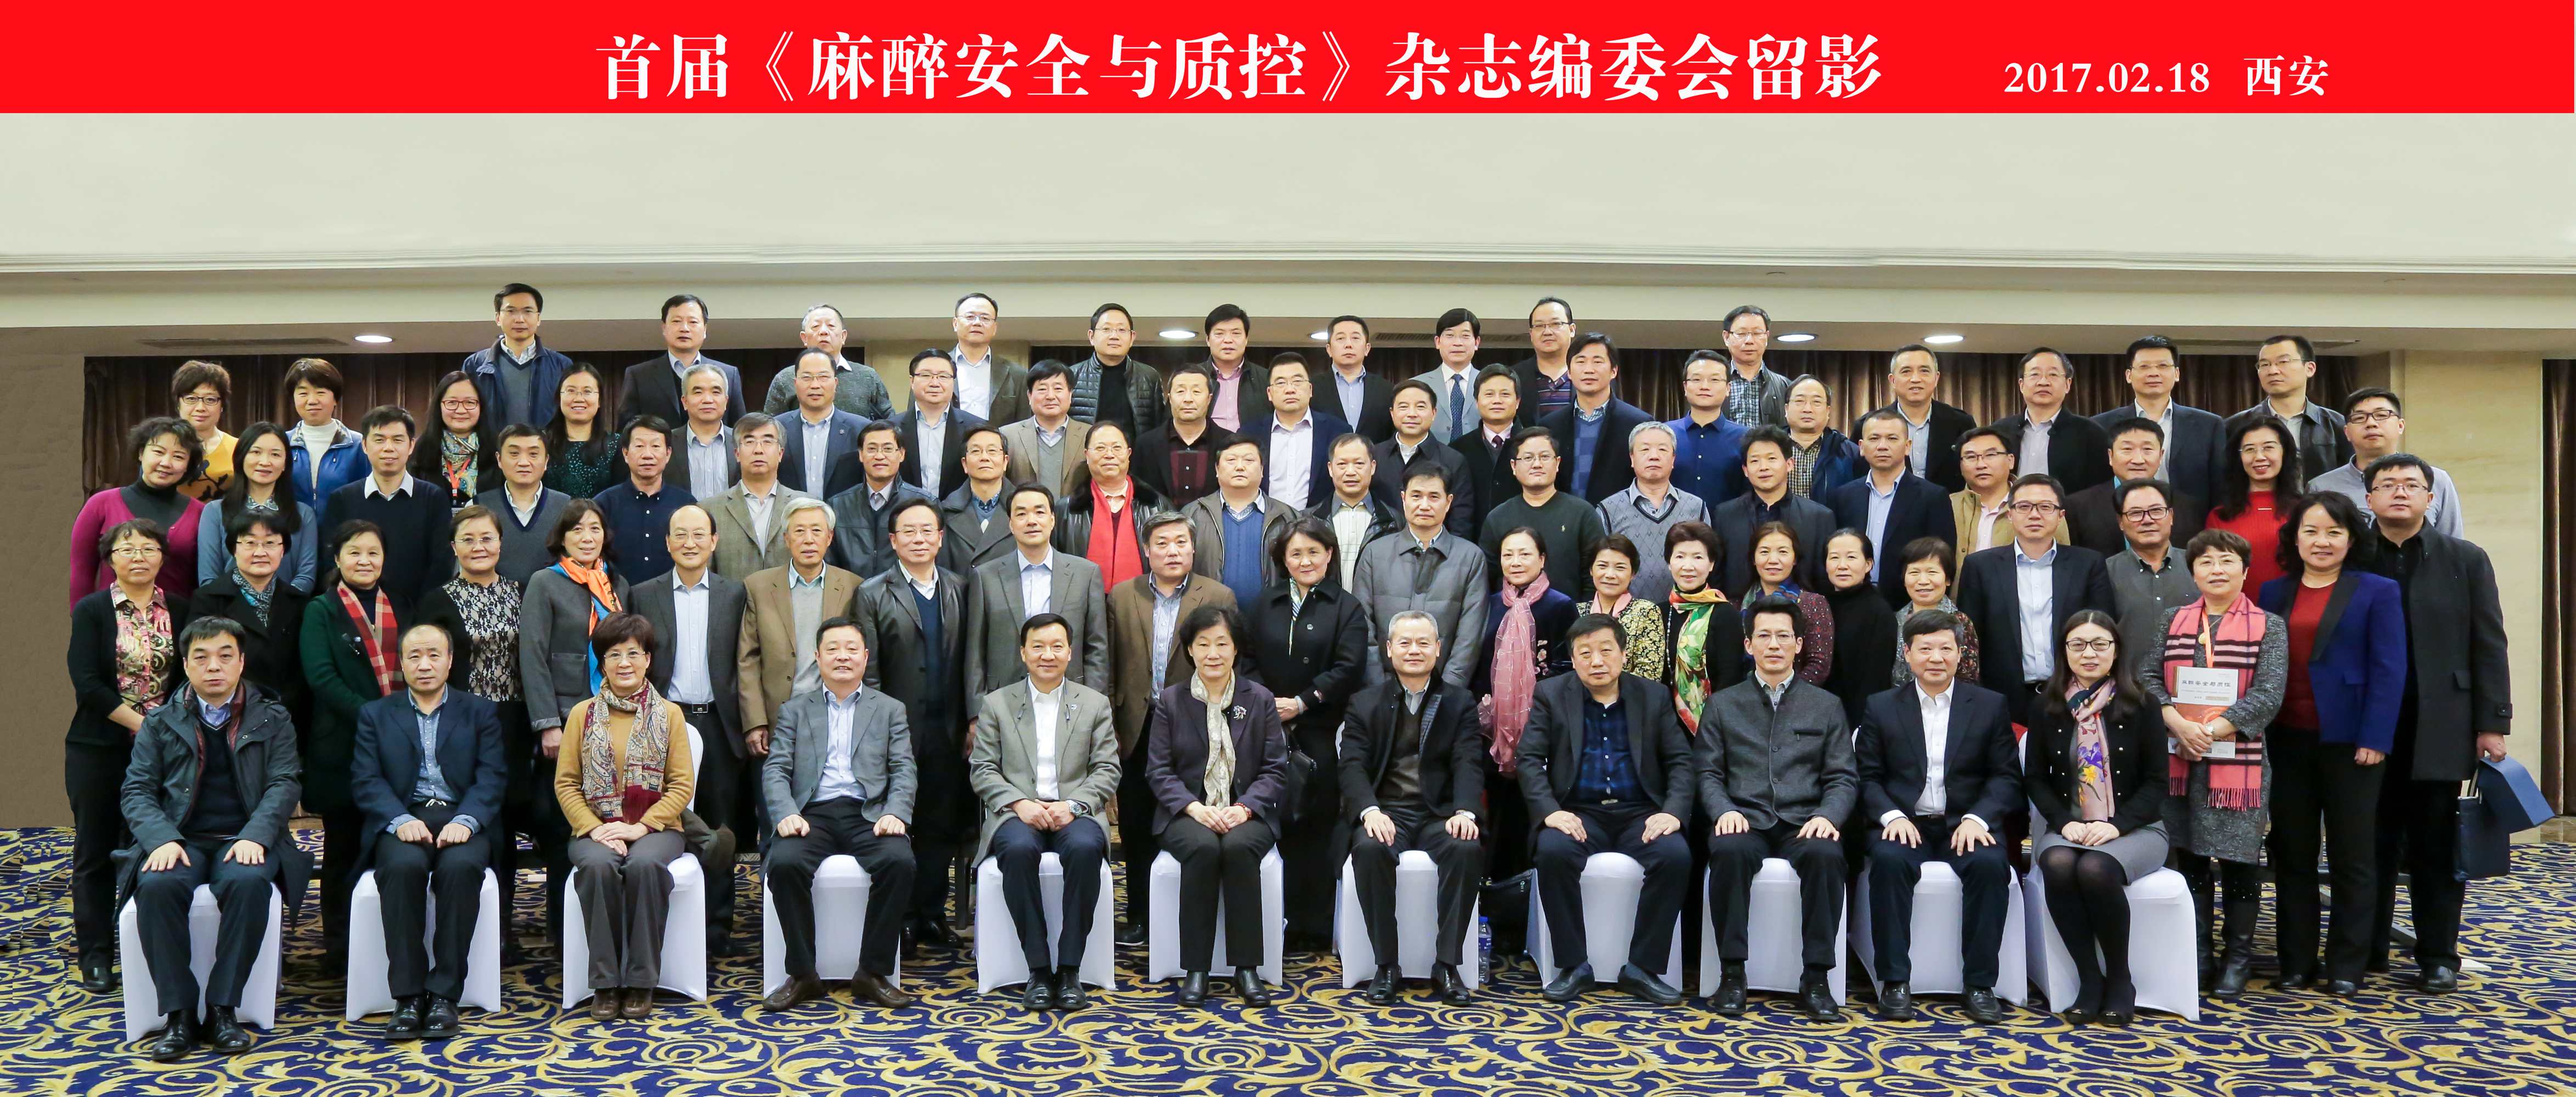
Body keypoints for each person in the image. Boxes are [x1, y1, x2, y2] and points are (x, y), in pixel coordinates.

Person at [121, 617, 303, 1061]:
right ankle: (180, 1014)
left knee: (248, 882)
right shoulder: (160, 722)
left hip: (244, 837)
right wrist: (161, 839)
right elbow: (137, 790)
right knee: (157, 886)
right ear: (185, 665)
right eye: (201, 658)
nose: (214, 667)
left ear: (242, 662)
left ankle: (223, 1009)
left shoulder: (273, 717)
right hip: (180, 839)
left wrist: (257, 834)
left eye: (225, 656)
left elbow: (285, 783)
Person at [2362, 454, 2510, 994]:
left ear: (2431, 498)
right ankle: (2367, 949)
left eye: (2411, 485)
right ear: (2369, 499)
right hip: (2366, 727)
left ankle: (2439, 955)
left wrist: (2492, 722)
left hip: (2440, 724)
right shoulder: (2351, 557)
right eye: (2387, 485)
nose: (2399, 492)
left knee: (2435, 846)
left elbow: (2488, 643)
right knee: (2368, 845)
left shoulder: (2465, 559)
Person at [2257, 491, 2404, 996]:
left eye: (2333, 532)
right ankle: (2295, 961)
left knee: (2352, 857)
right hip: (2286, 741)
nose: (2322, 542)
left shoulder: (2377, 591)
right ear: (2294, 538)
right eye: (2311, 531)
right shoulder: (2273, 592)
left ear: (2350, 539)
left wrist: (2375, 737)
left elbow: (2389, 669)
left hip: (2352, 744)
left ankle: (2346, 964)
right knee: (2291, 853)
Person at [1520, 613, 1696, 1004]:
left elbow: (1681, 761)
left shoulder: (1652, 696)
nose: (1596, 661)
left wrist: (1672, 812)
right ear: (1573, 659)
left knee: (1675, 855)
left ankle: (1642, 968)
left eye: (1605, 651)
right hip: (1579, 812)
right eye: (1585, 654)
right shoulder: (1551, 694)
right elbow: (1529, 759)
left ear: (1623, 654)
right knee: (1552, 851)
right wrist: (1550, 812)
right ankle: (1573, 966)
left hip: (1639, 812)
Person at [1698, 595, 1859, 1020]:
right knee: (1728, 851)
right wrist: (1723, 810)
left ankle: (1816, 977)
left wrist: (1827, 815)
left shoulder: (1826, 705)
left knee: (1826, 856)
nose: (1774, 645)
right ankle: (1732, 974)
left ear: (1799, 644)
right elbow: (1707, 773)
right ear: (1748, 644)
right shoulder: (1722, 704)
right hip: (1744, 818)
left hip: (1804, 821)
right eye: (1764, 636)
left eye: (1783, 636)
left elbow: (1842, 776)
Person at [2140, 529, 2287, 999]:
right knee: (2191, 856)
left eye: (2226, 561)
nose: (2216, 570)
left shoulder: (2269, 626)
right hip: (2181, 758)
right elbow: (2147, 675)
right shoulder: (2173, 620)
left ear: (2245, 570)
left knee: (2240, 860)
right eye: (2205, 562)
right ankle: (2198, 952)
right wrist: (2173, 719)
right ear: (2193, 572)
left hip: (2237, 764)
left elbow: (2268, 694)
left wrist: (2212, 730)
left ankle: (2236, 958)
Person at [1855, 610, 2019, 1022]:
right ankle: (1894, 981)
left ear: (1960, 654)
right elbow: (1866, 777)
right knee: (1889, 862)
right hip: (1904, 823)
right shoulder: (1881, 706)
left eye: (1946, 648)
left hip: (1964, 823)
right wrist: (1891, 816)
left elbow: (2005, 776)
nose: (1935, 658)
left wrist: (1978, 819)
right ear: (1908, 654)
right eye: (1925, 648)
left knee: (1990, 865)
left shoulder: (1989, 705)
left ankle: (1980, 983)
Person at [351, 620, 506, 1041]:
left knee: (461, 870)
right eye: (414, 656)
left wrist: (466, 821)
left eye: (434, 655)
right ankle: (407, 997)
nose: (424, 665)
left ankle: (444, 995)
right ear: (401, 663)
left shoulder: (479, 711)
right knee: (402, 869)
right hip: (405, 816)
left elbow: (492, 777)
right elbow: (366, 780)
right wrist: (399, 820)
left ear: (450, 661)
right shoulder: (376, 714)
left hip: (461, 817)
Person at [414, 505, 560, 951]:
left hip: (517, 723)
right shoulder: (437, 600)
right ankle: (482, 933)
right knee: (482, 822)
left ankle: (513, 923)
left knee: (515, 818)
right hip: (463, 725)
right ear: (453, 547)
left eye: (487, 538)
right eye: (469, 539)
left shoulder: (522, 591)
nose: (479, 547)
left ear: (501, 544)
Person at [757, 616, 918, 1012]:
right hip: (812, 812)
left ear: (865, 657)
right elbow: (776, 769)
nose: (842, 656)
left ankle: (872, 972)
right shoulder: (795, 710)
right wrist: (786, 813)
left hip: (869, 813)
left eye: (851, 649)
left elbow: (903, 768)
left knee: (899, 862)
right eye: (832, 649)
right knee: (784, 863)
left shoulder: (890, 709)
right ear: (817, 657)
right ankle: (802, 974)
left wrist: (896, 812)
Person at [2026, 610, 2171, 1027]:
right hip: (2068, 824)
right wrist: (2062, 822)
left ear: (2116, 651)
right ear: (2064, 652)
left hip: (2135, 826)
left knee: (2094, 868)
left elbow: (2157, 782)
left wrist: (2115, 825)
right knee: (2058, 863)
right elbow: (2035, 778)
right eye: (2078, 645)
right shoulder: (2048, 705)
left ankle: (2120, 979)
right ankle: (2089, 978)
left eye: (2099, 644)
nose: (2089, 654)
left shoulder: (2142, 704)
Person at [971, 613, 1120, 1013]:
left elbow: (1107, 769)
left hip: (1076, 811)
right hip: (1017, 812)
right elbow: (982, 769)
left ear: (1070, 652)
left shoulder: (1094, 704)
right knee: (1018, 850)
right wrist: (1019, 803)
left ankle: (1069, 970)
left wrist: (1074, 805)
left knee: (1086, 849)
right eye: (1037, 647)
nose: (1047, 655)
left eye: (1057, 646)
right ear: (1023, 653)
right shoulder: (997, 704)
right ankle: (1038, 969)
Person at [65, 519, 191, 993]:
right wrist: (142, 725)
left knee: (159, 847)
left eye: (149, 548)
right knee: (95, 851)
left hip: (167, 750)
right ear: (110, 558)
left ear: (163, 557)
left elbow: (188, 677)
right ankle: (96, 956)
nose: (138, 556)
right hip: (99, 746)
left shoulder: (181, 609)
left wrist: (164, 731)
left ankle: (150, 949)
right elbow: (86, 681)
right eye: (127, 549)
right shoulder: (93, 610)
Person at [554, 612, 698, 1020]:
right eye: (614, 654)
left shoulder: (669, 714)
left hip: (657, 828)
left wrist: (640, 827)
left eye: (633, 653)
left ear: (648, 660)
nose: (624, 663)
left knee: (644, 866)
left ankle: (640, 981)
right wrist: (595, 828)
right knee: (598, 867)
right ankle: (604, 983)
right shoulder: (582, 714)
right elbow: (567, 784)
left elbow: (681, 786)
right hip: (595, 828)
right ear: (602, 663)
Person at [1147, 604, 1292, 1006]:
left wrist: (1244, 808)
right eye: (1203, 644)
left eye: (1222, 644)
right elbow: (1158, 771)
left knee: (1239, 847)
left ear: (1235, 649)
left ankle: (1247, 969)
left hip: (1247, 811)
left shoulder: (1258, 699)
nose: (1213, 654)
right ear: (1190, 650)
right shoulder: (1171, 701)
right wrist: (1194, 808)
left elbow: (1275, 769)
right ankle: (1197, 969)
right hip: (1186, 814)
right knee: (1203, 848)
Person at [1340, 611, 1486, 1005]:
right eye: (1404, 643)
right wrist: (1369, 811)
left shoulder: (1459, 701)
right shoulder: (1364, 703)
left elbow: (1468, 761)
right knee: (1369, 848)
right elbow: (1351, 766)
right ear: (1389, 650)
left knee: (1466, 848)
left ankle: (1447, 964)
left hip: (1440, 813)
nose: (1414, 650)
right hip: (1387, 811)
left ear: (1438, 649)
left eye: (1424, 643)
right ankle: (1386, 964)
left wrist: (1465, 811)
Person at [1105, 513, 1238, 944]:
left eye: (1180, 542)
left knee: (1188, 818)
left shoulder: (1217, 595)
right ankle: (1140, 916)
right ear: (1147, 550)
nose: (1172, 551)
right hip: (1135, 724)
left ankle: (1189, 917)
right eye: (1161, 543)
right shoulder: (1122, 595)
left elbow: (1229, 661)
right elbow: (1108, 662)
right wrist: (1110, 721)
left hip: (1194, 723)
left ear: (1193, 548)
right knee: (1136, 823)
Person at [629, 504, 751, 955]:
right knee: (662, 820)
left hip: (718, 722)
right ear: (667, 543)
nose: (690, 543)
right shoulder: (644, 594)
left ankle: (716, 928)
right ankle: (664, 925)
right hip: (663, 721)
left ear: (714, 541)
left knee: (718, 827)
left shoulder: (735, 594)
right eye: (680, 534)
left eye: (699, 534)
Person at [1243, 517, 1371, 947]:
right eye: (1295, 553)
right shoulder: (1264, 602)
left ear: (1329, 554)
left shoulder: (1347, 607)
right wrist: (1267, 703)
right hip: (1265, 728)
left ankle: (1311, 925)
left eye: (1313, 552)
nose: (1305, 561)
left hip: (1320, 728)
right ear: (1283, 559)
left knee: (1316, 824)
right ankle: (1268, 920)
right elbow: (1246, 658)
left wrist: (1301, 703)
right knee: (1272, 820)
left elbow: (1349, 667)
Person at [851, 497, 971, 954]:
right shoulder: (872, 592)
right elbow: (869, 671)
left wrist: (971, 719)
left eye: (927, 531)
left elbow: (970, 660)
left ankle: (932, 914)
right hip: (896, 731)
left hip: (948, 727)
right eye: (909, 532)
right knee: (898, 822)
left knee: (941, 825)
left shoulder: (960, 587)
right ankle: (901, 917)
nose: (919, 539)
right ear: (893, 540)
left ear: (940, 538)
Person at [300, 521, 405, 967]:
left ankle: (389, 942)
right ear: (337, 558)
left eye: (373, 553)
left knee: (391, 845)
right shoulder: (320, 610)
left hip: (398, 746)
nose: (365, 561)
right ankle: (340, 948)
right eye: (355, 553)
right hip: (342, 745)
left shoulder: (399, 604)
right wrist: (374, 717)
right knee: (342, 848)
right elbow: (321, 677)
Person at [1954, 474, 2115, 724]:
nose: (2034, 515)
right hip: (2001, 698)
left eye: (2045, 507)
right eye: (2024, 507)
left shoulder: (2088, 564)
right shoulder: (1980, 567)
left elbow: (2103, 630)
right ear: (2010, 514)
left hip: (2075, 694)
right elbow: (1970, 639)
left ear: (2061, 515)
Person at [520, 502, 638, 815]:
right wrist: (547, 724)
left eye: (595, 529)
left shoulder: (617, 584)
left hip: (614, 713)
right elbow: (532, 656)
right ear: (562, 538)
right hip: (566, 715)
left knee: (612, 806)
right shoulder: (544, 582)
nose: (587, 537)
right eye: (577, 529)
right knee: (561, 809)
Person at [1477, 526, 1579, 883]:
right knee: (1498, 815)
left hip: (1541, 726)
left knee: (1533, 810)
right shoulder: (1491, 604)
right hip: (1493, 728)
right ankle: (1498, 896)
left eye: (1524, 554)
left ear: (1542, 559)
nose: (1516, 562)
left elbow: (1568, 668)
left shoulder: (1561, 605)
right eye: (1508, 555)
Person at [737, 498, 862, 755]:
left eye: (816, 531)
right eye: (799, 531)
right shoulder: (759, 587)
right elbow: (748, 659)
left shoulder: (853, 587)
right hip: (779, 715)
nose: (808, 540)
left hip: (837, 713)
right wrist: (755, 721)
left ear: (829, 537)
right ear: (786, 539)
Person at [965, 486, 1111, 705]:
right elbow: (975, 652)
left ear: (1052, 520)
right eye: (1021, 514)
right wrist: (978, 712)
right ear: (1011, 524)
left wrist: (1093, 705)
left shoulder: (1086, 574)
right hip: (1003, 701)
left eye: (1040, 512)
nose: (1031, 521)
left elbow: (1097, 647)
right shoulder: (985, 577)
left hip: (1071, 698)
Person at [1351, 466, 1489, 689]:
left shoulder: (1470, 558)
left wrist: (1445, 693)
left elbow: (1469, 639)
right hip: (1381, 692)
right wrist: (1381, 690)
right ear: (1403, 498)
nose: (1424, 505)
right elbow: (1362, 626)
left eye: (1434, 497)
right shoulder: (1375, 553)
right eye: (1416, 496)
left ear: (1449, 502)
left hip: (1445, 692)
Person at [322, 406, 456, 612]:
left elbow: (442, 563)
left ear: (411, 446)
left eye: (398, 440)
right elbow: (330, 561)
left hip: (419, 614)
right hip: (355, 614)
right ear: (364, 445)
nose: (388, 448)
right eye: (379, 440)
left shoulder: (433, 498)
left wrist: (422, 613)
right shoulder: (342, 499)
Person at [1827, 408, 1958, 607]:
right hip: (1851, 602)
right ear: (1861, 447)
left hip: (1909, 604)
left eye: (1892, 439)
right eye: (1874, 439)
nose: (1882, 446)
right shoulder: (1843, 496)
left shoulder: (1933, 496)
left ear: (1907, 446)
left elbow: (1943, 559)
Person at [191, 511, 312, 722]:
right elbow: (199, 662)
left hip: (289, 716)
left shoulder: (299, 602)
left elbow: (305, 669)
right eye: (250, 543)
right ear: (234, 549)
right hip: (228, 715)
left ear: (283, 550)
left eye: (270, 543)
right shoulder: (208, 599)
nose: (260, 552)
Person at [71, 417, 204, 609]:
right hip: (111, 621)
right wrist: (82, 618)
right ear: (141, 453)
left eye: (179, 456)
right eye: (158, 452)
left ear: (188, 465)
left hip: (179, 621)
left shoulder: (200, 513)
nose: (166, 463)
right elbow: (82, 572)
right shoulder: (100, 504)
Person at [2090, 335, 2226, 507]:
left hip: (2191, 519)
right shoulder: (2101, 425)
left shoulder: (2209, 425)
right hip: (2119, 517)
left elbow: (2220, 484)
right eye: (2144, 366)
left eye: (2163, 366)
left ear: (2177, 374)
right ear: (2129, 375)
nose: (2154, 373)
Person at [2311, 387, 2466, 536]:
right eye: (2359, 418)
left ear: (2401, 426)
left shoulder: (2437, 480)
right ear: (2347, 432)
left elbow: (2452, 544)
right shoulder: (2322, 487)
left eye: (2382, 415)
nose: (2371, 423)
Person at [1708, 426, 1837, 597]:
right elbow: (1717, 576)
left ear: (1789, 464)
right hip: (1738, 609)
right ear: (1745, 470)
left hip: (1802, 610)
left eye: (1772, 459)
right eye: (1755, 461)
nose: (1763, 467)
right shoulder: (1725, 515)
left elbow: (1825, 582)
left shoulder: (1819, 517)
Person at [1480, 428, 1606, 601]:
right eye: (1528, 458)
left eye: (1545, 457)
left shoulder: (1583, 513)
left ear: (1558, 463)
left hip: (1570, 614)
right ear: (1514, 466)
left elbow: (1595, 575)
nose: (1537, 464)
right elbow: (1487, 579)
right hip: (1509, 614)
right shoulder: (1498, 518)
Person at [197, 422, 319, 592]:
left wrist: (279, 603)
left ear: (285, 464)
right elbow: (209, 578)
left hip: (288, 606)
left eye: (275, 454)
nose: (265, 462)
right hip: (225, 606)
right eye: (256, 452)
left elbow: (305, 577)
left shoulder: (303, 514)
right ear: (241, 458)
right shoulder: (215, 511)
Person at [1597, 421, 1707, 604]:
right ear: (1632, 458)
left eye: (1662, 450)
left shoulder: (1696, 507)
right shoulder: (1608, 509)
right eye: (1645, 450)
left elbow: (1708, 561)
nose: (1654, 456)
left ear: (1673, 459)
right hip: (1626, 614)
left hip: (1687, 611)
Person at [2065, 417, 2207, 557]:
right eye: (2127, 449)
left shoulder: (2189, 508)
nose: (2138, 460)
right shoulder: (2077, 507)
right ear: (2111, 456)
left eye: (2148, 449)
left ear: (2160, 456)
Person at [1542, 333, 1656, 505]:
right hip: (1564, 517)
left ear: (1614, 371)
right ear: (1569, 372)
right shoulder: (1550, 425)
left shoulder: (1639, 424)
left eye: (1597, 361)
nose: (1589, 369)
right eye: (1581, 361)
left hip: (1619, 517)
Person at [2101, 479, 2199, 678]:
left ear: (2171, 516)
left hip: (2194, 687)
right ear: (2121, 522)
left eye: (2156, 511)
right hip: (2129, 689)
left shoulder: (2200, 566)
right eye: (2135, 513)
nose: (2147, 520)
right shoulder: (2104, 573)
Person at [1183, 437, 1295, 610]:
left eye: (1249, 460)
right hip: (1206, 617)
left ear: (1262, 470)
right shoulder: (1192, 515)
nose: (1240, 467)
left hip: (1273, 616)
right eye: (1231, 460)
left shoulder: (1288, 517)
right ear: (1217, 469)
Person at [1054, 420, 1161, 593]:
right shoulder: (1065, 510)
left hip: (1143, 600)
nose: (1109, 455)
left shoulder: (1156, 506)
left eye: (1117, 448)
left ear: (1129, 454)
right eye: (1100, 448)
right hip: (1081, 599)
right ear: (1087, 455)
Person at [2226, 334, 2350, 483]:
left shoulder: (2337, 424)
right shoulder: (2235, 426)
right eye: (2264, 365)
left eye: (2283, 362)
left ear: (2310, 369)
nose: (2273, 371)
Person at [1989, 348, 2112, 494]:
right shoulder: (1999, 431)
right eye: (2035, 375)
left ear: (2068, 384)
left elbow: (2100, 490)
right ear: (2021, 385)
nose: (2043, 382)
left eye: (2053, 375)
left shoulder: (2091, 433)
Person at [1855, 344, 1976, 493]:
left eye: (1924, 371)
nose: (1915, 379)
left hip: (1950, 504)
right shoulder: (1867, 425)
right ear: (1893, 380)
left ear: (1936, 378)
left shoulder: (1961, 423)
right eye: (1906, 371)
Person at [703, 413, 810, 579]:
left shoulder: (806, 506)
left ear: (780, 453)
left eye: (768, 441)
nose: (758, 450)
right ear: (737, 454)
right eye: (749, 442)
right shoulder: (710, 509)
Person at [1947, 426, 2068, 571]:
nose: (1981, 465)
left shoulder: (2043, 507)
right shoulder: (1947, 505)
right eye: (1971, 457)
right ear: (1961, 466)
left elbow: (2063, 560)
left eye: (1991, 455)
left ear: (2011, 461)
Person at [591, 416, 695, 583]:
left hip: (671, 596)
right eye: (639, 446)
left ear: (668, 454)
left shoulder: (686, 505)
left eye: (656, 446)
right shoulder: (604, 504)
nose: (648, 455)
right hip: (616, 596)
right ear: (626, 453)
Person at [824, 420, 934, 578]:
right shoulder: (838, 505)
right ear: (861, 455)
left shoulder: (923, 504)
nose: (880, 456)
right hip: (850, 590)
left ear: (902, 454)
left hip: (904, 591)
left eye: (888, 449)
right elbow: (830, 564)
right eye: (872, 449)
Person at [2206, 415, 2303, 592]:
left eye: (2268, 448)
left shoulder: (2304, 510)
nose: (2259, 457)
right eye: (2250, 449)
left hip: (2294, 605)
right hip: (2237, 607)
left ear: (2284, 452)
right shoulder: (2220, 516)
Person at [618, 293, 745, 430]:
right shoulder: (639, 375)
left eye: (693, 322)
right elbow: (626, 430)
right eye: (677, 321)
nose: (684, 328)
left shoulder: (728, 374)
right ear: (664, 328)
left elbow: (740, 430)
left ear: (705, 330)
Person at [1664, 522, 1745, 733]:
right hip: (1665, 728)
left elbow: (1731, 680)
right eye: (1680, 557)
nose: (1688, 566)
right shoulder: (1659, 612)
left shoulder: (1726, 614)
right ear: (1669, 563)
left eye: (1698, 557)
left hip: (1715, 727)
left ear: (1711, 564)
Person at [1369, 380, 1476, 535]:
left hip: (1437, 548)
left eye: (1420, 407)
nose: (1412, 414)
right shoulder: (1374, 456)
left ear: (1434, 413)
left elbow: (1461, 522)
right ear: (1392, 413)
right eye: (1404, 407)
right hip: (1381, 546)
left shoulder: (1453, 460)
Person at [760, 303, 895, 420]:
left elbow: (888, 421)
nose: (824, 332)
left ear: (843, 336)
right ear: (804, 338)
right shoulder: (785, 378)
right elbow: (771, 426)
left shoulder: (868, 376)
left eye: (831, 326)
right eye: (816, 327)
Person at [466, 282, 573, 431]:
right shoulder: (475, 365)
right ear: (498, 318)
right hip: (491, 445)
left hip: (546, 445)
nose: (520, 319)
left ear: (538, 318)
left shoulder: (562, 365)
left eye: (528, 311)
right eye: (511, 311)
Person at [476, 424, 572, 585]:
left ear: (546, 461)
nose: (524, 462)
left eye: (534, 454)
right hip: (490, 596)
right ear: (499, 459)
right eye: (514, 454)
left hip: (551, 598)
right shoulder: (478, 507)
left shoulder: (567, 507)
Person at [1741, 522, 1834, 686]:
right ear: (1754, 559)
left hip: (1798, 697)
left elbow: (1819, 665)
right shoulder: (1737, 605)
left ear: (1795, 559)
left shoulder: (1813, 603)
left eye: (1783, 552)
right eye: (1764, 552)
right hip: (1742, 697)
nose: (1773, 560)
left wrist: (1784, 694)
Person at [1250, 352, 1344, 510]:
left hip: (1319, 522)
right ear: (1269, 393)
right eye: (1281, 383)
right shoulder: (1250, 433)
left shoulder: (1337, 431)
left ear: (1310, 390)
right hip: (1266, 521)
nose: (1290, 389)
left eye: (1298, 382)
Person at [1134, 364, 1237, 509]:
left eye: (1196, 392)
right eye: (1181, 391)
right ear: (1170, 398)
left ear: (1209, 399)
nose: (1188, 399)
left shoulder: (1230, 444)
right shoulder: (1145, 445)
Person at [1820, 530, 1897, 722]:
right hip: (1819, 713)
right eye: (1834, 558)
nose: (1842, 565)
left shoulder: (1879, 612)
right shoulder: (1819, 604)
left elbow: (1876, 679)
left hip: (1857, 718)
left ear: (1868, 564)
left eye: (1851, 557)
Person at [1307, 434, 1400, 590]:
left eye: (1359, 464)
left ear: (1373, 467)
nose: (1350, 472)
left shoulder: (1394, 521)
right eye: (1342, 464)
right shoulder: (1309, 520)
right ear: (1330, 469)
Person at [776, 349, 869, 501]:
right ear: (796, 383)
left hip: (844, 514)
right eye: (807, 377)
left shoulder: (862, 429)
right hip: (790, 514)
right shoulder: (777, 429)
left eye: (823, 377)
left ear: (836, 383)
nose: (815, 385)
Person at [896, 348, 986, 500]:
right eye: (926, 375)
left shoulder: (977, 428)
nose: (935, 383)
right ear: (912, 381)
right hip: (906, 510)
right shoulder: (891, 428)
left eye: (943, 376)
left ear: (953, 382)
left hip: (959, 512)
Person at [1891, 538, 1980, 688]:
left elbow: (1969, 679)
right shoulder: (1893, 621)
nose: (1923, 581)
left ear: (1948, 579)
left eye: (1932, 572)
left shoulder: (1960, 622)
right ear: (1904, 579)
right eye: (1914, 572)